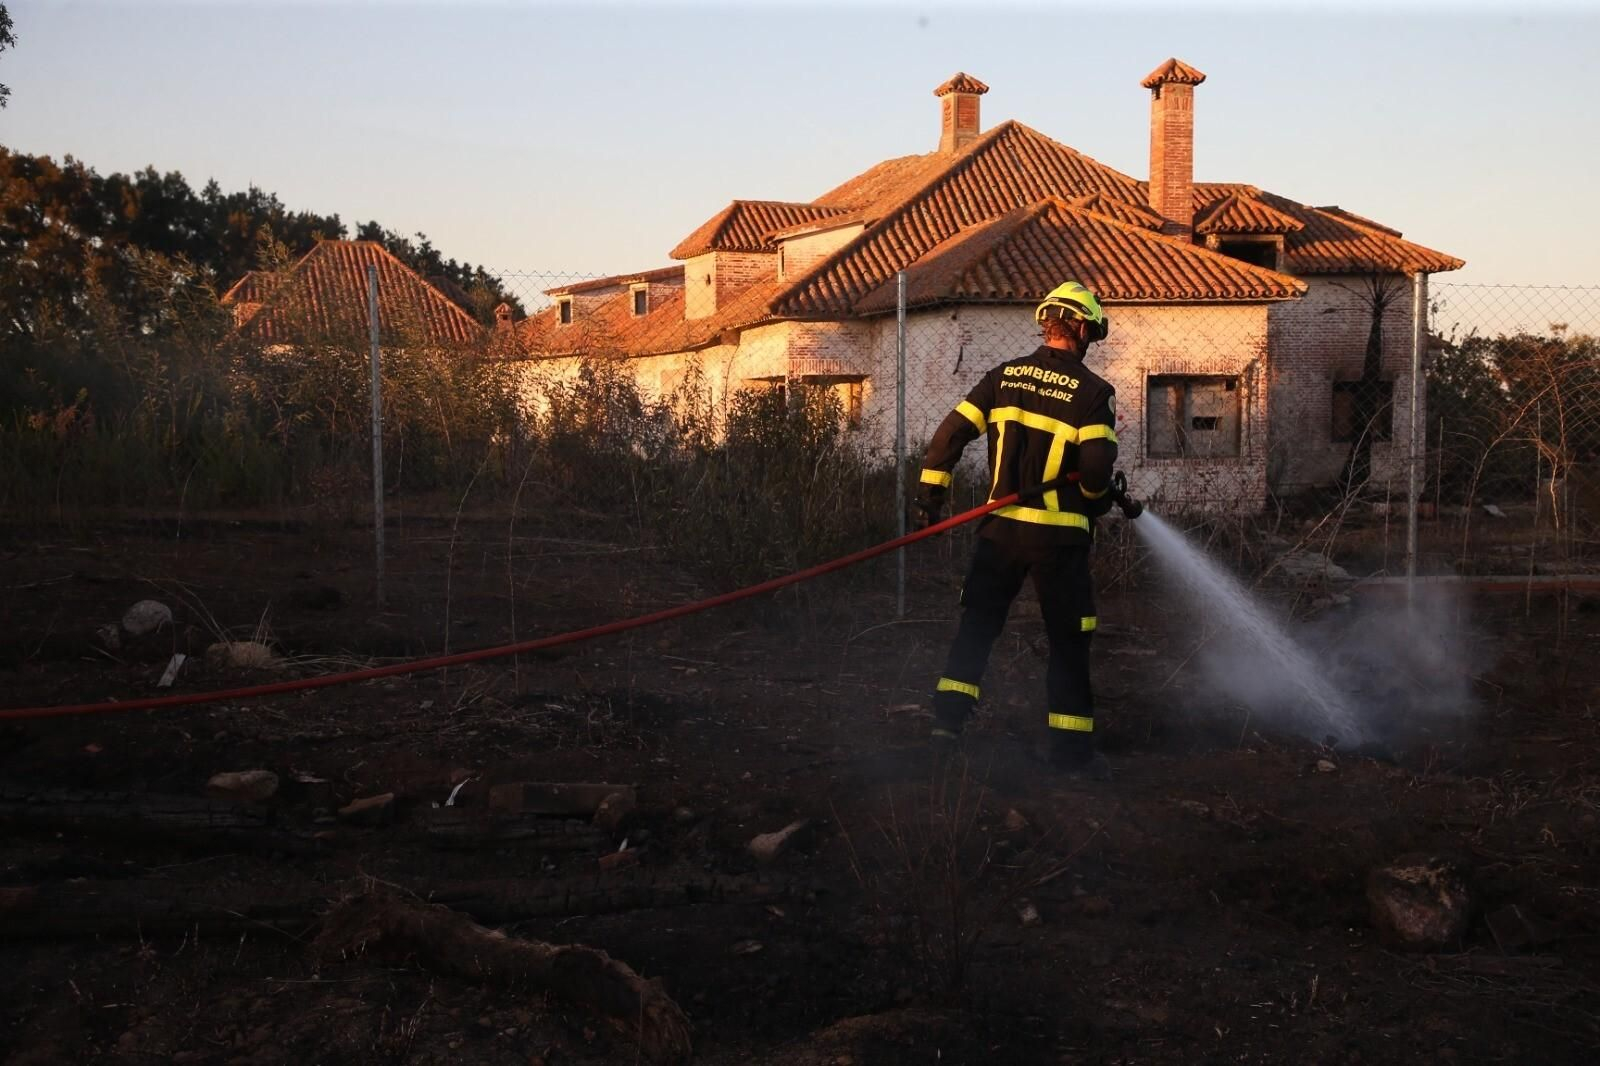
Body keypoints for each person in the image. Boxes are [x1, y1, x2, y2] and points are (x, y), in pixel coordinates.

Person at [914, 281, 1118, 778]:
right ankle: (1070, 755)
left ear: (1047, 323)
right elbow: (1095, 471)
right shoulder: (1094, 393)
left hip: (1000, 535)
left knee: (977, 628)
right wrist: (1096, 501)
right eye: (1091, 333)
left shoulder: (1002, 377)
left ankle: (945, 730)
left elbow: (949, 434)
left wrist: (931, 499)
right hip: (1059, 542)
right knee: (1068, 640)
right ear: (1082, 328)